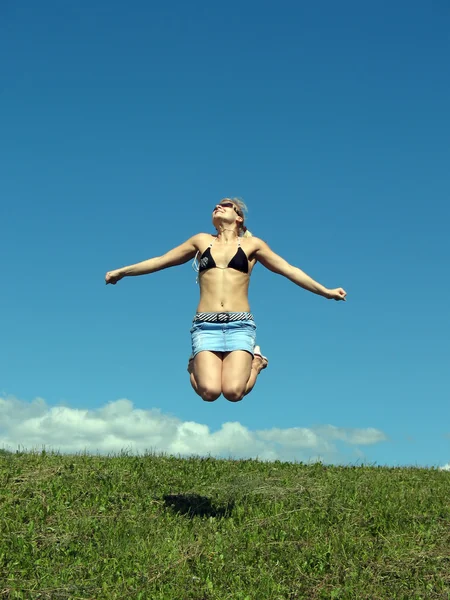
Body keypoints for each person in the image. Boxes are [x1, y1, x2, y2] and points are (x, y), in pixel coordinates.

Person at [105, 198, 347, 403]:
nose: (218, 207)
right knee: (209, 392)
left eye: (226, 205)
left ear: (239, 217)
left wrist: (325, 291)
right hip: (205, 324)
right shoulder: (201, 241)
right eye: (216, 206)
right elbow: (161, 260)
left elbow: (289, 269)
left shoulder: (253, 244)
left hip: (239, 324)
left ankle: (257, 363)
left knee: (233, 392)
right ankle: (194, 366)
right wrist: (123, 271)